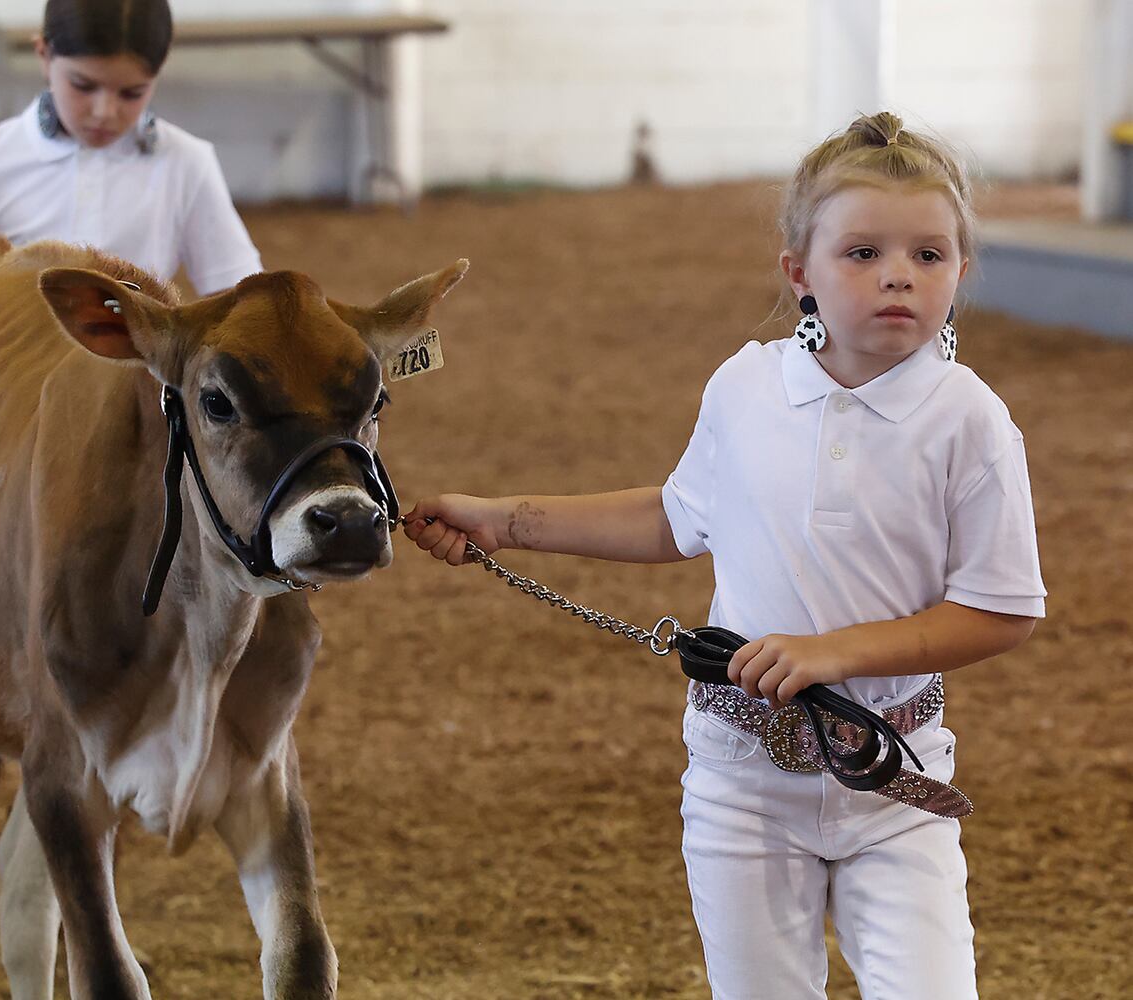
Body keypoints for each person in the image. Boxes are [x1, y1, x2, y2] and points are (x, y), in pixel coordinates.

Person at [403, 112, 1045, 1000]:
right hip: (740, 787)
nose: (898, 273)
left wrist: (836, 653)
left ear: (961, 272)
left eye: (929, 255)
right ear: (799, 273)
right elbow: (676, 519)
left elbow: (1002, 607)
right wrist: (505, 522)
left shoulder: (971, 420)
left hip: (896, 784)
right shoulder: (743, 387)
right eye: (862, 252)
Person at [0, 0, 261, 296]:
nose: (104, 112)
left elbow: (237, 290)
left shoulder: (186, 162)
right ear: (44, 56)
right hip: (9, 354)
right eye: (83, 86)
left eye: (132, 93)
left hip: (136, 356)